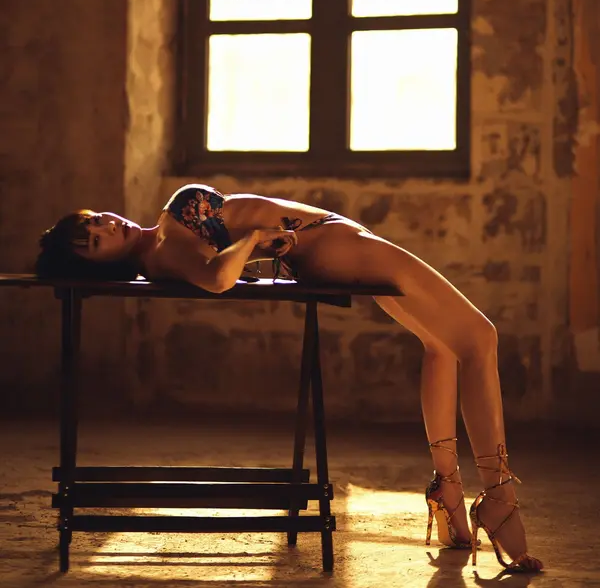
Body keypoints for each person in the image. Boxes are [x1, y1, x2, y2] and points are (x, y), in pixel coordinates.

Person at [36, 183, 543, 573]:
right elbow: (216, 277)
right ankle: (499, 499)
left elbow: (214, 262)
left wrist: (253, 243)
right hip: (332, 247)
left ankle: (448, 493)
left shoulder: (160, 240)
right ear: (103, 265)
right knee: (481, 337)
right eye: (95, 243)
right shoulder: (165, 247)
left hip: (330, 243)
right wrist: (255, 240)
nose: (107, 227)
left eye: (95, 221)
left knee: (441, 344)